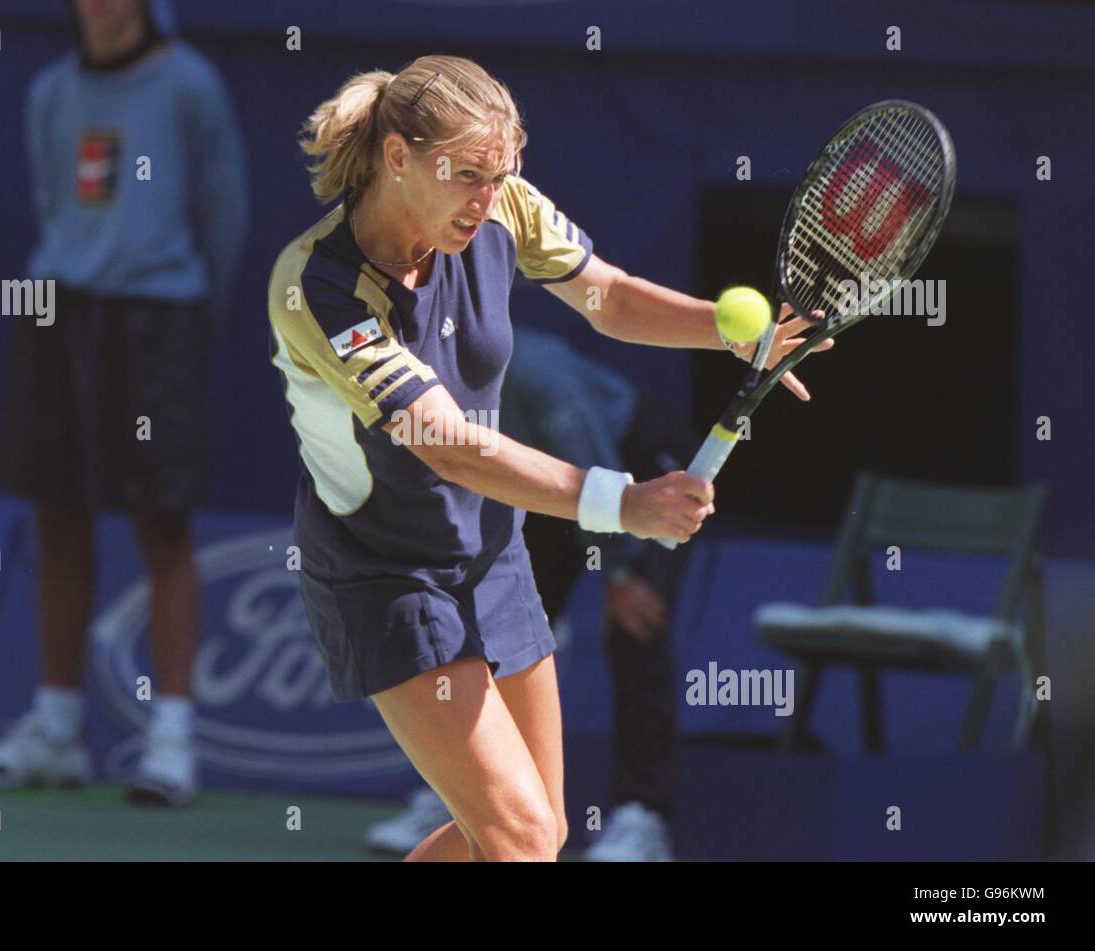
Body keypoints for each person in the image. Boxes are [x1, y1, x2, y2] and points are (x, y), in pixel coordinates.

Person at [268, 55, 828, 861]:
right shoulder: (317, 288)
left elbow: (611, 296)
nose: (486, 200)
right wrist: (624, 503)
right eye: (466, 175)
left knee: (537, 830)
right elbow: (446, 444)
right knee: (521, 835)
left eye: (501, 174)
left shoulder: (502, 208)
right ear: (398, 157)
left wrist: (733, 328)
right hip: (383, 568)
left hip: (491, 550)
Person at [0, 0, 249, 807]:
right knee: (56, 513)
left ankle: (173, 741)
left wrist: (172, 305)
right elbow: (56, 204)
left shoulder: (190, 86)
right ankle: (55, 729)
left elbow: (223, 216)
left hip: (157, 321)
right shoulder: (49, 91)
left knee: (162, 522)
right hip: (55, 312)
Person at [366, 323, 696, 861]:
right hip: (541, 486)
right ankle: (467, 802)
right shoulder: (415, 390)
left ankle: (643, 816)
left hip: (627, 462)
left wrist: (619, 574)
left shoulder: (535, 378)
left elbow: (594, 466)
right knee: (493, 629)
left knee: (637, 624)